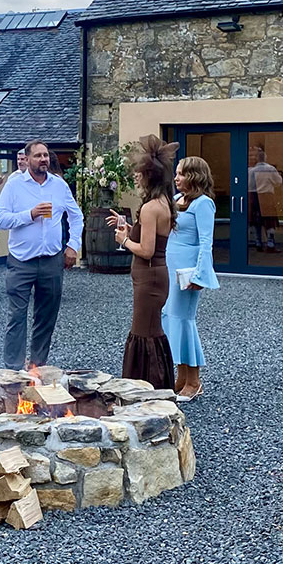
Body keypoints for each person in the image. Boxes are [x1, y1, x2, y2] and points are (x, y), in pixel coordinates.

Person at [0, 140, 84, 370]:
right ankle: (13, 369)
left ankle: (37, 366)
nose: (43, 159)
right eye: (38, 156)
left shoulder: (59, 186)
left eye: (45, 155)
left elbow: (76, 217)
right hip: (21, 261)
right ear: (27, 159)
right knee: (17, 316)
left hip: (52, 260)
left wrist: (73, 245)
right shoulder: (14, 186)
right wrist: (29, 214)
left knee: (46, 317)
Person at [108, 135, 178, 389]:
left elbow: (147, 250)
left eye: (139, 173)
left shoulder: (150, 208)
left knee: (144, 331)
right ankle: (157, 384)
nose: (136, 177)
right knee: (151, 329)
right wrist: (130, 227)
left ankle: (147, 387)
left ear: (150, 176)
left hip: (149, 278)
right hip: (154, 277)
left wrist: (123, 239)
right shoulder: (163, 203)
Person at [164, 156, 219, 401]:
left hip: (188, 270)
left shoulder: (203, 204)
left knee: (183, 320)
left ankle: (194, 380)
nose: (176, 178)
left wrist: (200, 274)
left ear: (194, 176)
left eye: (181, 174)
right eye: (176, 173)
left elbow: (207, 242)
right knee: (168, 317)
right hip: (169, 265)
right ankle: (181, 375)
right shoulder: (176, 200)